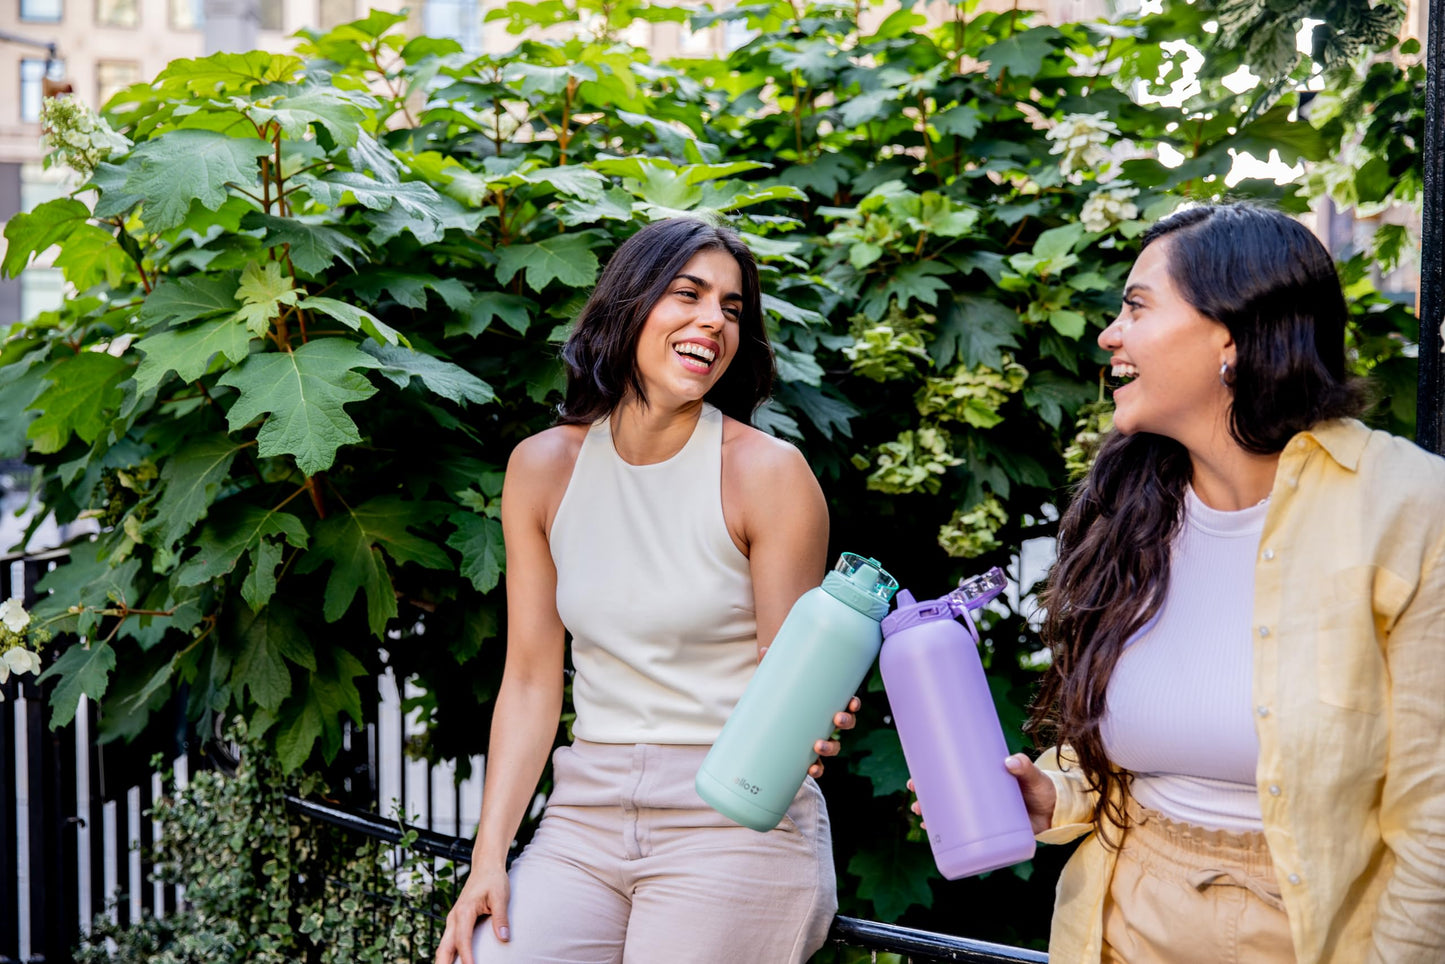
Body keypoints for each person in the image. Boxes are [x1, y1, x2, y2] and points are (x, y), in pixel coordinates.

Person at [991, 203, 1445, 962]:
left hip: (1311, 936)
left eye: (1135, 306)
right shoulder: (1131, 511)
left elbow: (1434, 814)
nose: (1109, 333)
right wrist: (1054, 792)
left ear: (1230, 334)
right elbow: (1141, 744)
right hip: (1120, 923)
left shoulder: (1409, 507)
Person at [433, 217, 855, 964]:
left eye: (730, 308)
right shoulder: (541, 469)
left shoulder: (768, 474)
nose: (711, 321)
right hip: (583, 816)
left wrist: (812, 721)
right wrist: (489, 855)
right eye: (686, 294)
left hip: (731, 819)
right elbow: (531, 679)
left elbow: (789, 681)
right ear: (629, 304)